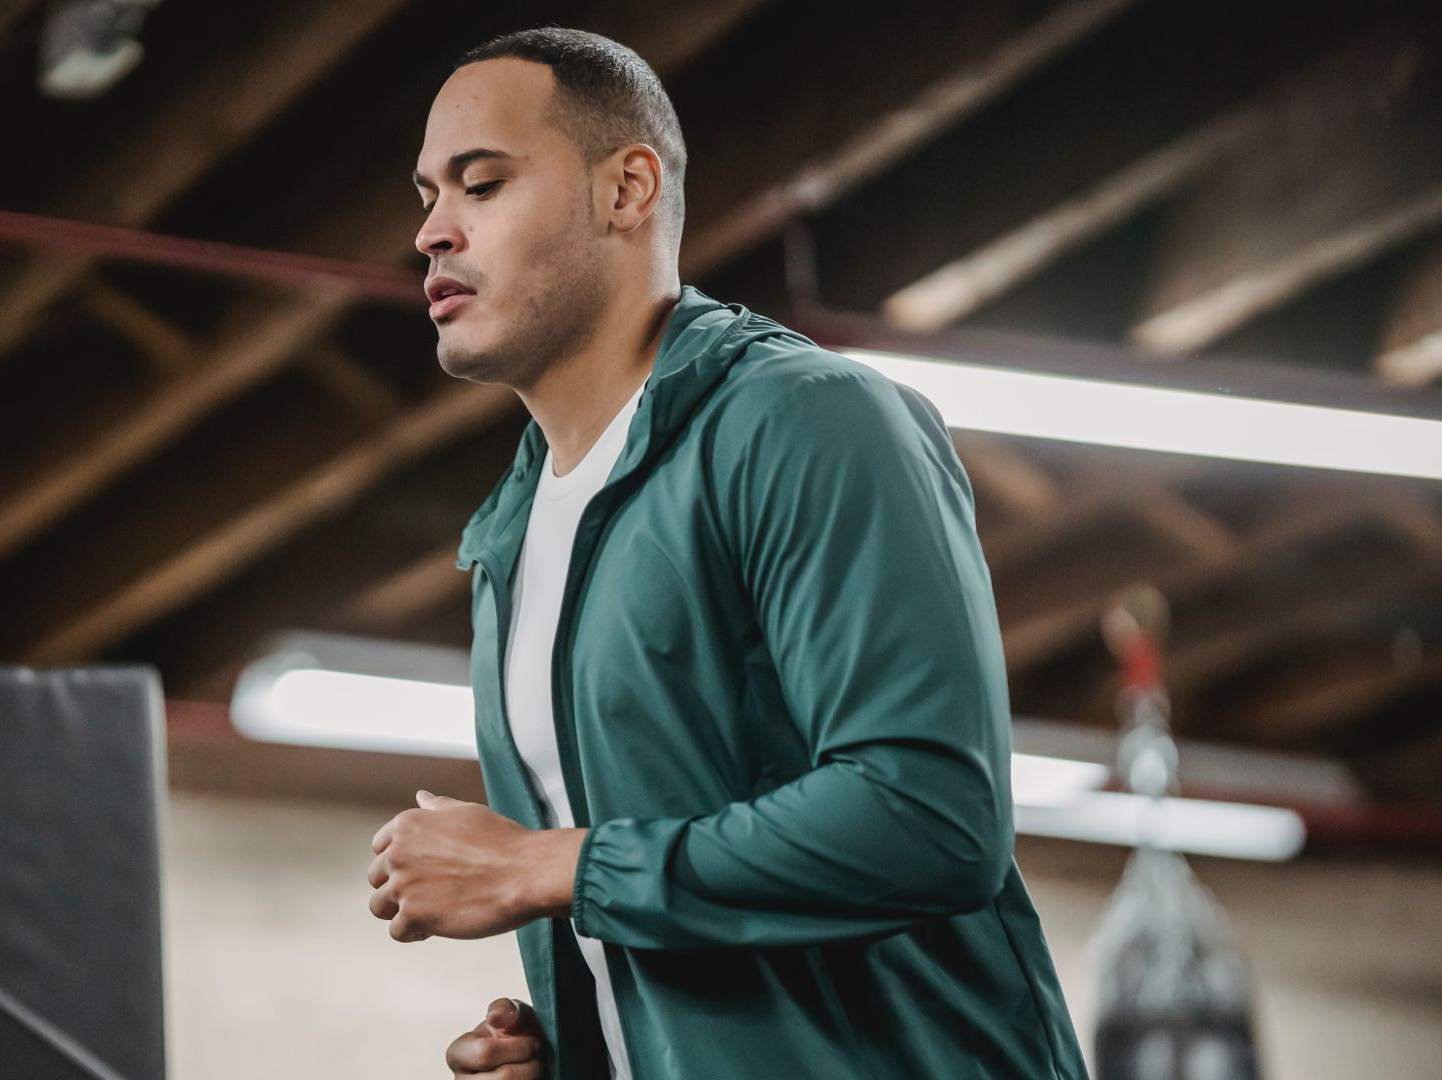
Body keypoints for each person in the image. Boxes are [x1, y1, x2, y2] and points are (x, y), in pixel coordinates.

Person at [364, 26, 1088, 1080]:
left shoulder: (810, 421)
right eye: (424, 196)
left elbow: (928, 817)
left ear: (626, 190)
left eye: (479, 184)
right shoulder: (512, 537)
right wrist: (578, 1052)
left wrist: (546, 864)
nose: (431, 232)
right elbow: (664, 921)